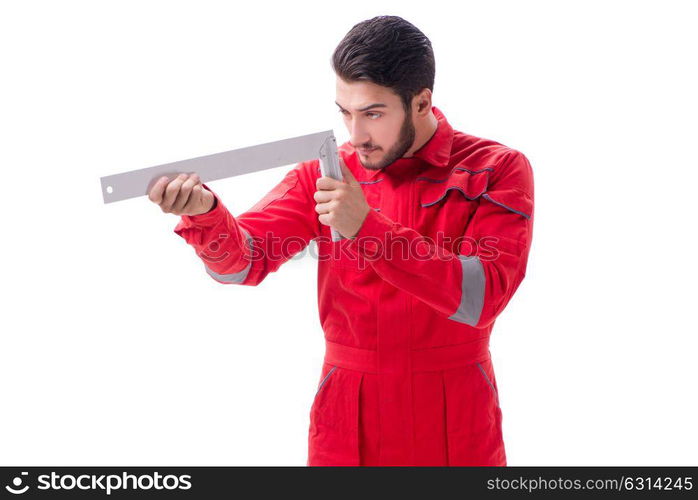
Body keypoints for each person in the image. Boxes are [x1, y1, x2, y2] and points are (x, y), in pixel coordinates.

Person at [147, 15, 534, 466]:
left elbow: (481, 295)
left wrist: (366, 228)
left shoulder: (497, 169)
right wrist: (207, 217)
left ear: (422, 102)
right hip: (349, 418)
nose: (357, 135)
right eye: (345, 113)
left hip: (453, 415)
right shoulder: (325, 174)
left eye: (373, 113)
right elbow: (243, 263)